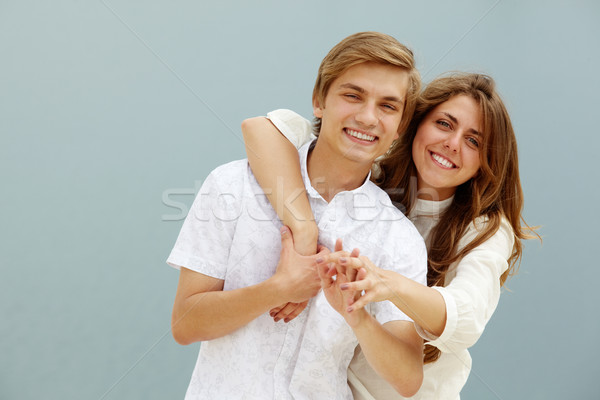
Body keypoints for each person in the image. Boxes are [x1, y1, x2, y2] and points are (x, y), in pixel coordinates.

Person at [241, 72, 539, 399]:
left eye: (473, 141)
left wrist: (388, 284)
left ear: (487, 161)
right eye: (444, 124)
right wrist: (304, 231)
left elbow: (465, 319)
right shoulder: (372, 173)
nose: (452, 144)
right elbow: (264, 129)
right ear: (413, 124)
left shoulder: (485, 230)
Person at [167, 31, 428, 399]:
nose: (368, 117)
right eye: (353, 95)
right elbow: (185, 324)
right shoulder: (232, 184)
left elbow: (408, 379)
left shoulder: (399, 239)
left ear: (400, 126)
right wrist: (279, 289)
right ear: (319, 101)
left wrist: (356, 315)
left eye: (388, 106)